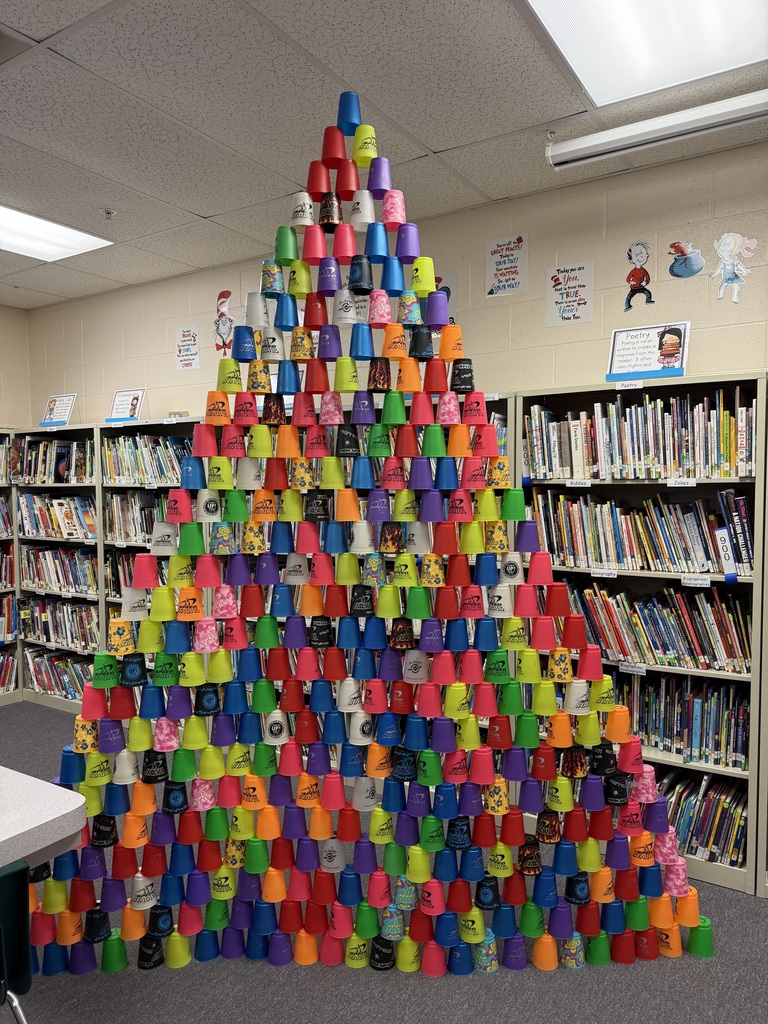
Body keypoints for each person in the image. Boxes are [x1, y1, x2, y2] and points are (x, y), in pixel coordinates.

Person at [710, 232, 756, 303]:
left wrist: (744, 271)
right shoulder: (723, 262)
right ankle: (720, 295)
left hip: (734, 276)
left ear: (734, 250)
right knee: (723, 285)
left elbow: (739, 266)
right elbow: (719, 270)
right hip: (726, 277)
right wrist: (714, 275)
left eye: (728, 245)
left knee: (736, 285)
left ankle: (735, 298)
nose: (724, 246)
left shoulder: (734, 260)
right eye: (723, 244)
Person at [624, 240, 654, 311]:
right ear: (632, 260)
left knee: (648, 293)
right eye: (636, 255)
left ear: (646, 255)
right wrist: (630, 282)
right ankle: (627, 306)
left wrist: (645, 282)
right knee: (628, 298)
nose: (640, 257)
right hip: (633, 288)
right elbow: (628, 278)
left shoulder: (643, 270)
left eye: (641, 254)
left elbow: (647, 277)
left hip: (641, 286)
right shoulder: (633, 271)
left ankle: (648, 300)